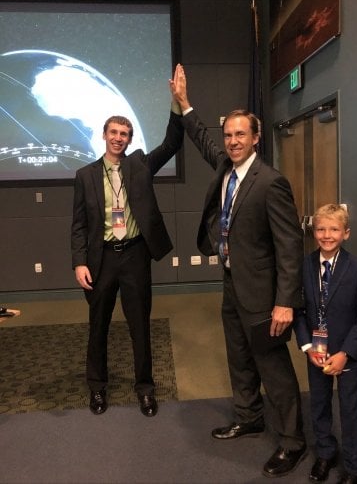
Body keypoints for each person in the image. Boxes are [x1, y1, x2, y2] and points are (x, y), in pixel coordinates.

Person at [170, 64, 306, 478]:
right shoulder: (227, 168)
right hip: (232, 282)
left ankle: (292, 441)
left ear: (256, 137)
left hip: (264, 295)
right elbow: (203, 140)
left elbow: (289, 246)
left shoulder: (270, 182)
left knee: (273, 367)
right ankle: (248, 415)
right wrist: (185, 105)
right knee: (239, 357)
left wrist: (285, 302)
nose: (232, 141)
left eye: (240, 134)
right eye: (229, 135)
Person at [71, 70, 184, 417]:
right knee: (98, 327)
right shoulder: (86, 175)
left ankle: (145, 389)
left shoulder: (140, 165)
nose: (119, 138)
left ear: (130, 138)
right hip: (101, 259)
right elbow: (78, 224)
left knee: (140, 326)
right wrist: (79, 262)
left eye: (125, 133)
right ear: (104, 136)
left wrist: (177, 103)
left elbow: (171, 143)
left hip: (134, 255)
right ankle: (97, 388)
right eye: (114, 132)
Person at [294, 204, 357, 484]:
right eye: (321, 229)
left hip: (346, 355)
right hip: (316, 352)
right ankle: (326, 453)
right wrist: (307, 347)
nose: (326, 235)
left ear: (346, 233)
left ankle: (355, 467)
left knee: (351, 411)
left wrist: (345, 353)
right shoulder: (304, 265)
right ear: (313, 231)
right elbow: (300, 311)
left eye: (334, 229)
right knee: (319, 405)